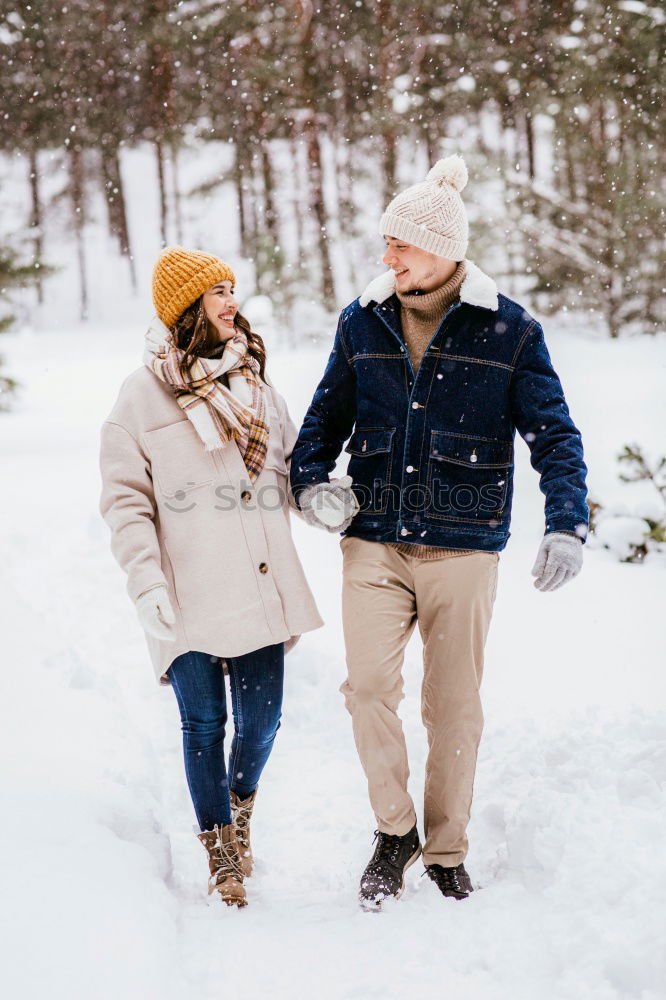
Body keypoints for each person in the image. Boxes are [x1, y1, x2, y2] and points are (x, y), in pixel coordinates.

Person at [290, 155, 588, 908]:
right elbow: (325, 417)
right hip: (376, 538)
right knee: (366, 691)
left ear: (445, 251)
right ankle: (394, 832)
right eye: (386, 244)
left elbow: (553, 434)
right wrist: (310, 484)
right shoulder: (364, 319)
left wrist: (567, 524)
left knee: (453, 705)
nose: (387, 258)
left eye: (403, 246)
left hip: (462, 543)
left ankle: (446, 848)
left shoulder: (509, 329)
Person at [99, 246, 323, 907]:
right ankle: (220, 848)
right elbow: (125, 501)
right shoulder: (139, 398)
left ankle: (238, 802)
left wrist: (322, 501)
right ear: (185, 309)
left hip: (256, 586)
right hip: (186, 592)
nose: (232, 300)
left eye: (232, 288)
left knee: (263, 722)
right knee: (204, 724)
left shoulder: (256, 388)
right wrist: (146, 585)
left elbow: (285, 477)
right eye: (216, 291)